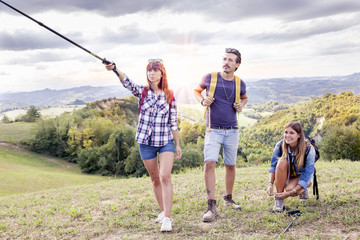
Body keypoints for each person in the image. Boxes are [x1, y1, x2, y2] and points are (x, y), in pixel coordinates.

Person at [105, 59, 182, 232]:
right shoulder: (143, 92)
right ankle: (163, 211)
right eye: (149, 70)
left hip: (165, 142)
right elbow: (127, 82)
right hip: (146, 144)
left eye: (155, 70)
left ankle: (167, 219)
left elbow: (173, 122)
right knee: (155, 180)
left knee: (165, 176)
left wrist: (177, 144)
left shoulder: (170, 95)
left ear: (162, 73)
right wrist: (115, 69)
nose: (152, 73)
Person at [193, 48, 248, 222]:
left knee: (230, 165)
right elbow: (196, 91)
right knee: (209, 163)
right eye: (225, 59)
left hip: (232, 129)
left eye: (231, 60)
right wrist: (202, 100)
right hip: (213, 129)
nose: (226, 62)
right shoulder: (210, 77)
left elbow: (244, 97)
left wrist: (241, 105)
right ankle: (211, 206)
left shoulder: (240, 83)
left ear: (237, 64)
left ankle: (228, 199)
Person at [267, 121, 315, 212]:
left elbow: (306, 177)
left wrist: (289, 193)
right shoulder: (280, 145)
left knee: (290, 189)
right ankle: (279, 199)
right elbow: (273, 167)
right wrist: (270, 184)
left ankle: (302, 190)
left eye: (292, 133)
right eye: (286, 132)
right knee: (281, 161)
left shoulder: (309, 150)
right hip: (289, 174)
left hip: (303, 176)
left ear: (299, 135)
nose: (287, 135)